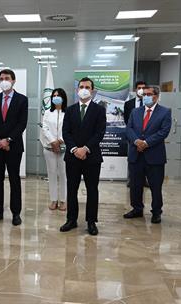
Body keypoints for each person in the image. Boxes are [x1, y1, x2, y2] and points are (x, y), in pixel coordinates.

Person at [60, 77, 106, 236]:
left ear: (92, 90)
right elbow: (65, 132)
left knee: (92, 190)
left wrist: (85, 149)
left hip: (91, 157)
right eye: (81, 86)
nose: (84, 89)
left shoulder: (99, 110)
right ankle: (71, 219)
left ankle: (91, 221)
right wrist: (74, 149)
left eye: (87, 87)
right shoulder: (70, 110)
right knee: (72, 189)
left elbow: (100, 133)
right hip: (72, 157)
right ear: (77, 90)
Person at [124, 86, 172, 224]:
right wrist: (137, 141)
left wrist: (146, 143)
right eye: (144, 94)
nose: (145, 96)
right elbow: (129, 128)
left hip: (154, 156)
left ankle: (156, 212)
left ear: (156, 96)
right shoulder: (135, 112)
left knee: (155, 186)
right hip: (136, 154)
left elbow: (164, 131)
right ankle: (137, 209)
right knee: (135, 185)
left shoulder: (165, 112)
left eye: (149, 94)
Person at [0, 69, 28, 226]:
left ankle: (16, 213)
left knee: (14, 180)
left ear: (13, 81)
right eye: (1, 78)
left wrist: (8, 140)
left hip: (14, 147)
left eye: (7, 78)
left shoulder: (22, 100)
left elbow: (21, 123)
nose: (4, 81)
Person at [40, 88, 67, 211]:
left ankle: (63, 200)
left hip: (64, 147)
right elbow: (44, 128)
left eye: (58, 95)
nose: (56, 97)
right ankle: (53, 200)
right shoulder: (47, 112)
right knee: (51, 174)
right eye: (54, 95)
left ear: (63, 97)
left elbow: (69, 129)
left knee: (63, 174)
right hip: (49, 147)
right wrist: (53, 142)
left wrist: (59, 140)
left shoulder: (69, 112)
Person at [124, 81, 147, 188]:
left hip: (147, 138)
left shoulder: (149, 103)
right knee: (132, 158)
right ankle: (131, 180)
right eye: (139, 87)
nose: (141, 90)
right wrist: (135, 138)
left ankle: (144, 180)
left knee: (146, 159)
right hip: (133, 137)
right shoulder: (128, 104)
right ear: (135, 90)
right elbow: (126, 121)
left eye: (143, 87)